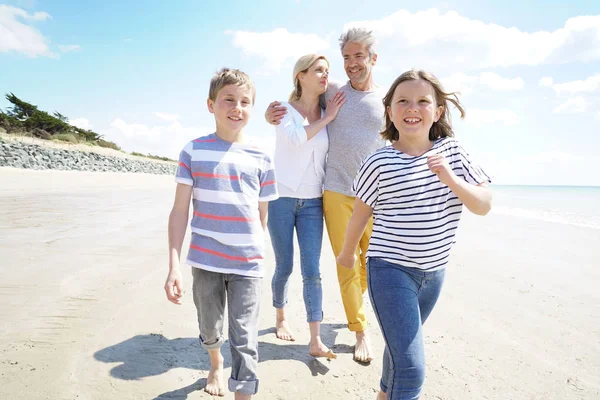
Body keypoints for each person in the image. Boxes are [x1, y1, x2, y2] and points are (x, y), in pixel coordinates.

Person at [336, 69, 492, 399]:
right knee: (411, 368)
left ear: (436, 112)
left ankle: (383, 393)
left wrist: (449, 177)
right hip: (389, 270)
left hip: (433, 275)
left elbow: (482, 205)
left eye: (423, 101)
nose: (412, 108)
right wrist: (348, 252)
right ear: (390, 111)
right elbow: (361, 211)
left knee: (399, 351)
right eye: (402, 101)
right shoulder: (379, 160)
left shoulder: (452, 152)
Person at [265, 28, 385, 363]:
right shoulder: (333, 90)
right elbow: (296, 101)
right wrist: (269, 113)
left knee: (371, 265)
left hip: (375, 196)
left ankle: (353, 308)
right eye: (346, 57)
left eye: (358, 56)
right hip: (333, 193)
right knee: (343, 264)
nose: (351, 63)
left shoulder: (387, 100)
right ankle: (360, 331)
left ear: (374, 59)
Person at [164, 68, 278, 399]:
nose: (237, 107)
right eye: (229, 99)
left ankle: (243, 390)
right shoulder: (193, 151)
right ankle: (215, 362)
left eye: (245, 102)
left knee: (244, 334)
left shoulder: (261, 155)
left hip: (247, 263)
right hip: (206, 260)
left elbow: (262, 214)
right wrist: (174, 265)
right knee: (210, 327)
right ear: (211, 104)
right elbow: (179, 211)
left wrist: (255, 250)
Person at [267, 54, 345, 358]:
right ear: (301, 76)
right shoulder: (283, 110)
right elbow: (297, 139)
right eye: (318, 70)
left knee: (312, 271)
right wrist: (327, 119)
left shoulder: (329, 107)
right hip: (281, 198)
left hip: (314, 200)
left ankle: (315, 339)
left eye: (327, 71)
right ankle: (281, 317)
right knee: (284, 266)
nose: (325, 75)